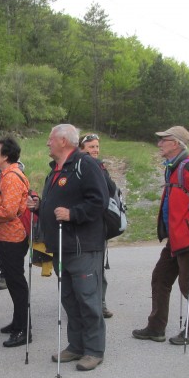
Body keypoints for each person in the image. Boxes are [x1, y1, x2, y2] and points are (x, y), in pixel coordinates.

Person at [131, 126, 189, 346]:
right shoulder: (173, 167)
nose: (159, 144)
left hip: (188, 238)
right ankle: (156, 327)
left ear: (176, 143)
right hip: (175, 238)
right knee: (160, 278)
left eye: (164, 140)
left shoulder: (188, 167)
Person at [29, 124, 107, 371]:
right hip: (61, 246)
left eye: (50, 139)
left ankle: (94, 350)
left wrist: (73, 214)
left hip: (83, 245)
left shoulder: (86, 165)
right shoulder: (56, 170)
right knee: (70, 299)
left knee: (87, 298)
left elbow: (99, 201)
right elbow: (58, 204)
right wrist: (40, 206)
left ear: (63, 141)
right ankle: (76, 346)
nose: (47, 143)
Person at [0, 136, 31, 347]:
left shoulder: (12, 177)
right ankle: (18, 322)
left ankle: (24, 329)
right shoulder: (6, 175)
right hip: (5, 237)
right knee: (15, 283)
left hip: (12, 237)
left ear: (5, 156)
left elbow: (9, 210)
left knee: (16, 283)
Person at [79, 133, 115, 319]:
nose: (95, 150)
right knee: (81, 268)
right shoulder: (77, 166)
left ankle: (100, 303)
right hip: (79, 225)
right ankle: (82, 303)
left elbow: (111, 189)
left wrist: (100, 170)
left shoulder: (99, 166)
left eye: (96, 147)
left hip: (98, 225)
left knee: (98, 267)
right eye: (91, 147)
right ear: (82, 148)